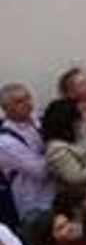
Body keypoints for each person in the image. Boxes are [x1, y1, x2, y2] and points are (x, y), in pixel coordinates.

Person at [0, 84, 52, 227]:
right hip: (35, 206)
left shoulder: (36, 120)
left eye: (28, 98)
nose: (27, 103)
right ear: (5, 108)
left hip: (54, 195)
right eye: (19, 101)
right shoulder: (5, 141)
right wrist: (57, 151)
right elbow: (41, 171)